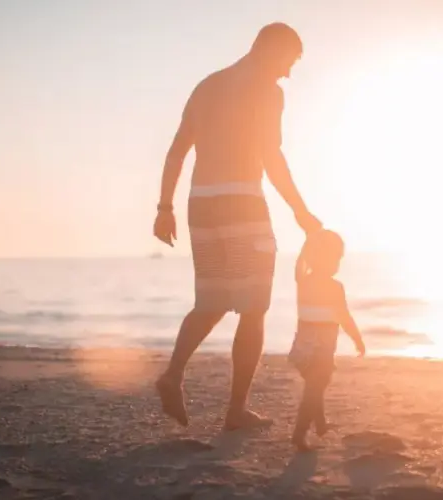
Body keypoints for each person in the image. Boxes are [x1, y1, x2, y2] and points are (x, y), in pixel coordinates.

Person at [152, 22, 322, 431]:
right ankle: (235, 412)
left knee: (210, 303)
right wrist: (300, 210)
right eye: (288, 62)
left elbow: (177, 150)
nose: (288, 73)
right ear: (269, 49)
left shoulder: (207, 86)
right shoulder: (267, 92)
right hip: (243, 203)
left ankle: (173, 374)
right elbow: (271, 157)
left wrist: (164, 207)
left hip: (201, 205)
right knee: (254, 307)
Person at [288, 230, 365, 451]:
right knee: (315, 388)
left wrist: (307, 242)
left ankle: (320, 425)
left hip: (303, 347)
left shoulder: (303, 281)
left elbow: (299, 264)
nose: (337, 264)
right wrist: (357, 339)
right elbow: (344, 316)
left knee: (316, 385)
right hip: (320, 349)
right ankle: (299, 433)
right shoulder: (334, 287)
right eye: (335, 258)